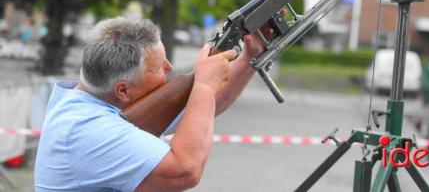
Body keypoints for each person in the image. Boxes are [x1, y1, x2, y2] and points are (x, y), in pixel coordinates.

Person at [34, 17, 264, 191]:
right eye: (159, 66)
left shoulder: (95, 103)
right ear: (123, 90)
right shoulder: (85, 128)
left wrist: (248, 58)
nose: (170, 68)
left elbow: (200, 110)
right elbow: (185, 171)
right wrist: (203, 86)